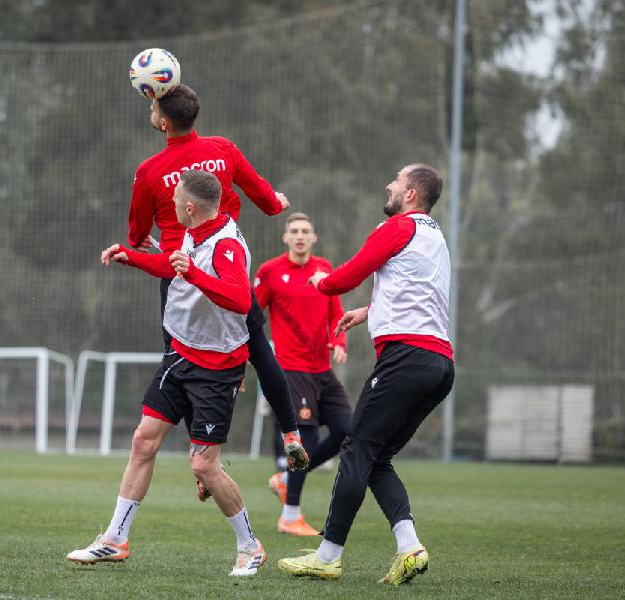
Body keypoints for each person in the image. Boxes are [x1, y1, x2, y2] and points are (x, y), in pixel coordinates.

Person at [68, 170, 266, 576]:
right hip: (180, 355)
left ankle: (250, 547)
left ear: (189, 207)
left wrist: (192, 273)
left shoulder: (226, 243)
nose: (171, 202)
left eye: (175, 198)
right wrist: (132, 257)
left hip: (217, 367)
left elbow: (240, 299)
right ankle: (115, 540)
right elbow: (172, 265)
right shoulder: (195, 229)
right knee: (143, 441)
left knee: (204, 466)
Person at [278, 164, 455, 585]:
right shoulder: (435, 237)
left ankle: (328, 555)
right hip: (439, 364)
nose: (388, 184)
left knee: (356, 448)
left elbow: (348, 275)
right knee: (377, 457)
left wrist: (322, 282)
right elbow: (419, 292)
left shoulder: (397, 226)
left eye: (396, 180)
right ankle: (410, 547)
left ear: (410, 194)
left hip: (405, 359)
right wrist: (370, 311)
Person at [127, 84, 307, 475]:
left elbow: (136, 233)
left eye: (154, 106)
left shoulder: (149, 171)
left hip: (180, 278)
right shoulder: (222, 149)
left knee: (185, 364)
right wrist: (277, 202)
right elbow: (266, 201)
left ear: (163, 122)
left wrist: (142, 242)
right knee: (260, 350)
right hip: (227, 268)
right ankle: (291, 433)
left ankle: (204, 456)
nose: (151, 109)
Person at [254, 212, 352, 536]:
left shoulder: (324, 268)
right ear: (285, 237)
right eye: (294, 231)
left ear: (313, 238)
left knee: (347, 431)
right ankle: (290, 515)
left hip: (322, 370)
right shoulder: (270, 271)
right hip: (290, 370)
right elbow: (251, 315)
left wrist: (339, 341)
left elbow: (336, 310)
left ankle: (286, 479)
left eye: (305, 231)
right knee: (305, 441)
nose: (299, 236)